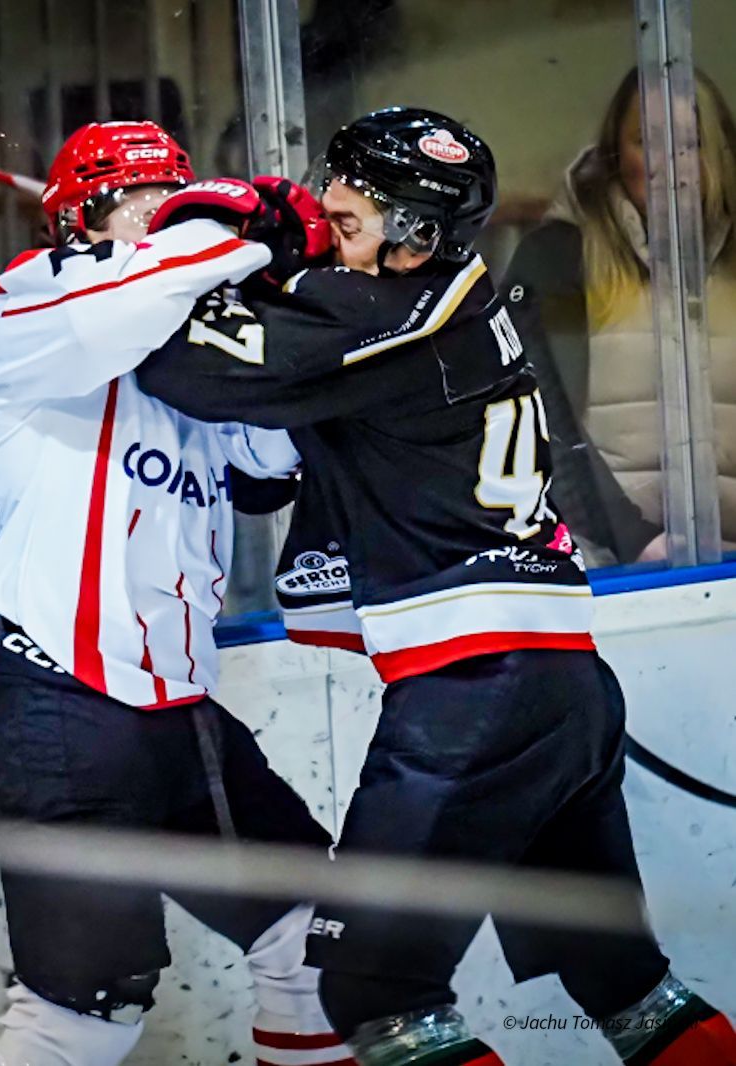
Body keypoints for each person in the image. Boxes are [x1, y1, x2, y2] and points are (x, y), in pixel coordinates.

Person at [136, 108, 736, 1066]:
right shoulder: (455, 296)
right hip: (561, 690)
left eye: (351, 222)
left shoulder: (382, 310)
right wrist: (294, 260)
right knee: (624, 982)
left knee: (373, 993)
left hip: (474, 697)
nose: (333, 231)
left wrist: (201, 246)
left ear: (417, 233)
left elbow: (181, 369)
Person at [0, 120, 352, 1066]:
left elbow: (269, 463)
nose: (159, 221)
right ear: (77, 223)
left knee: (318, 946)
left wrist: (284, 298)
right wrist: (242, 227)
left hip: (180, 713)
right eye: (137, 203)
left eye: (171, 200)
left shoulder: (192, 339)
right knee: (81, 1023)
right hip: (60, 707)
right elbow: (129, 297)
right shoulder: (30, 303)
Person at [504, 68, 736, 564]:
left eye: (691, 143)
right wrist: (634, 540)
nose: (669, 163)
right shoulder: (558, 256)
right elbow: (533, 417)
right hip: (613, 565)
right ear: (614, 154)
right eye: (646, 142)